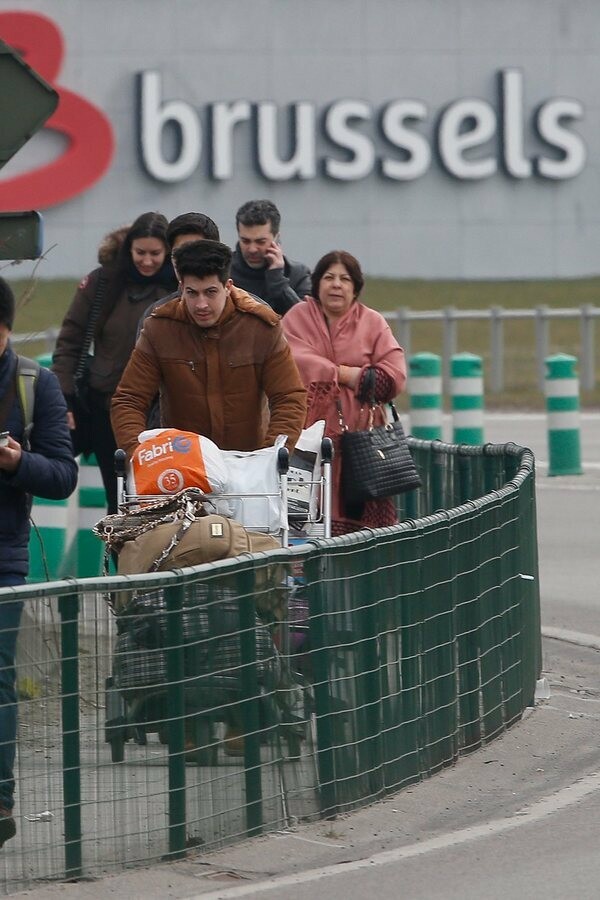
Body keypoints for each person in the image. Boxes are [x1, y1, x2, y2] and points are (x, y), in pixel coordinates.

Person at [0, 278, 78, 848]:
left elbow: (62, 474)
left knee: (0, 679)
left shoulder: (36, 385)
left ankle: (1, 800)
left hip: (3, 555)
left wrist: (16, 462)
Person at [111, 238, 307, 462]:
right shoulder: (159, 329)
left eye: (211, 292)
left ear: (228, 287)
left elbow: (289, 397)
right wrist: (140, 455)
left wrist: (270, 456)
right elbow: (129, 399)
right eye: (192, 293)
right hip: (182, 467)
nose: (201, 304)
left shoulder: (262, 327)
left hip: (249, 465)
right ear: (181, 288)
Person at [52, 212, 178, 514]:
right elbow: (70, 340)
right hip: (106, 409)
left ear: (168, 253)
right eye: (140, 253)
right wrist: (64, 397)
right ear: (128, 249)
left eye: (155, 254)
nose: (146, 261)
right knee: (119, 500)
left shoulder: (181, 287)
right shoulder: (103, 282)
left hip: (162, 413)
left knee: (162, 498)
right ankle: (124, 561)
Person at [281, 250, 406, 536]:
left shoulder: (372, 323)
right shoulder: (296, 319)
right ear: (317, 284)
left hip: (362, 449)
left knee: (362, 535)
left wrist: (351, 375)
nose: (336, 284)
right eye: (329, 277)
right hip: (305, 446)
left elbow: (394, 377)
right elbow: (291, 361)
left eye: (344, 279)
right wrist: (338, 371)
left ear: (355, 288)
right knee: (303, 528)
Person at [230, 199, 311, 316]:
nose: (252, 249)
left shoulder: (298, 274)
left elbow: (305, 322)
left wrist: (277, 281)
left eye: (261, 241)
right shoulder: (223, 271)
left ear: (276, 238)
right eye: (245, 241)